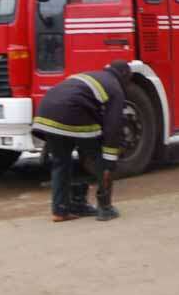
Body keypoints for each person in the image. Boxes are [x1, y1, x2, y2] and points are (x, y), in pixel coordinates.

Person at [31, 60, 130, 222]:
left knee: (61, 162)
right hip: (72, 113)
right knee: (99, 159)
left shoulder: (90, 76)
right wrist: (110, 159)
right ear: (125, 76)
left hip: (45, 112)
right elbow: (113, 126)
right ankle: (105, 208)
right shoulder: (115, 88)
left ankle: (61, 210)